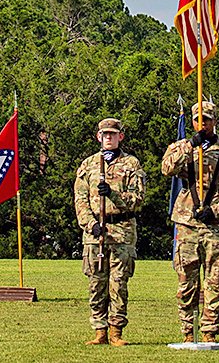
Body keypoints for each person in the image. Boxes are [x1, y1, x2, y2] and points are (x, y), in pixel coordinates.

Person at [162, 100, 219, 344]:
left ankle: (209, 330)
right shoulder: (181, 146)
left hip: (214, 225)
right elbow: (167, 168)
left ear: (215, 122)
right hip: (187, 222)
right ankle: (188, 330)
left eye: (207, 119)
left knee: (215, 280)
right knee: (186, 280)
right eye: (199, 119)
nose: (203, 124)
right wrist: (189, 146)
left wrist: (218, 210)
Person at [74, 118, 146, 346]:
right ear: (98, 137)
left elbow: (139, 198)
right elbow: (80, 200)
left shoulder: (131, 164)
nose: (108, 138)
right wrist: (91, 224)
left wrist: (114, 194)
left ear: (120, 137)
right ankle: (99, 330)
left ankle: (116, 330)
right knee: (96, 282)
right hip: (96, 232)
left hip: (122, 231)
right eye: (104, 134)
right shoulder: (88, 165)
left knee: (118, 283)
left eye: (113, 134)